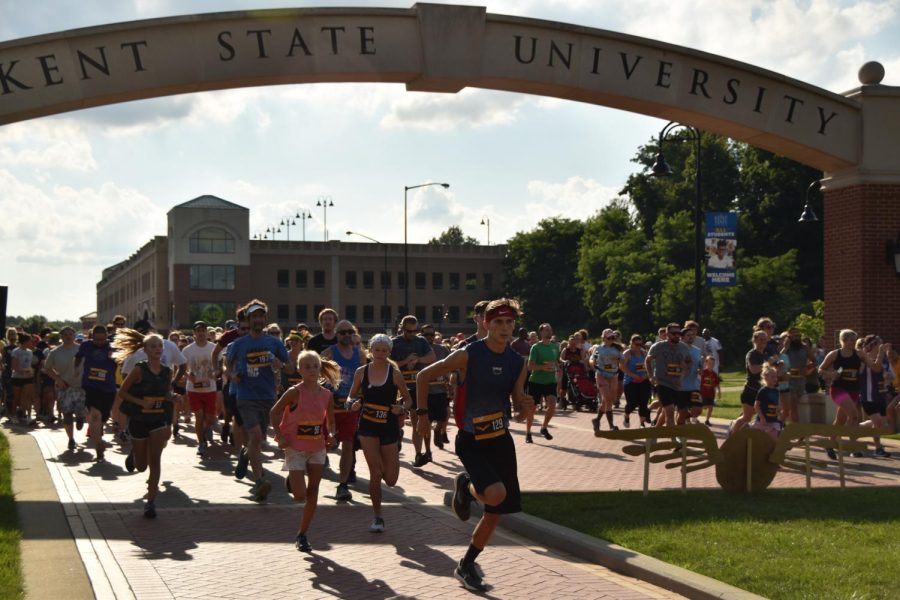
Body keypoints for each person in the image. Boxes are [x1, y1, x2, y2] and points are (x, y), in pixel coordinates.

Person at [415, 298, 528, 592]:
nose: (505, 328)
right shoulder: (468, 355)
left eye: (509, 323)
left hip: (500, 440)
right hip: (472, 440)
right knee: (494, 494)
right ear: (486, 324)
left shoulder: (518, 362)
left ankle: (466, 565)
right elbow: (423, 376)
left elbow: (516, 402)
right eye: (498, 322)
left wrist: (525, 406)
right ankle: (465, 486)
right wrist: (423, 416)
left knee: (496, 512)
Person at [270, 350, 338, 552]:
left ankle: (303, 533)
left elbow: (331, 421)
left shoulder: (327, 395)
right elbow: (274, 412)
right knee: (300, 496)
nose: (312, 370)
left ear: (320, 369)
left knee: (314, 490)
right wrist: (280, 436)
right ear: (299, 370)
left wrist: (332, 434)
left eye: (315, 366)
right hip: (295, 447)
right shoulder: (294, 392)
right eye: (307, 367)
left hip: (317, 447)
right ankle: (293, 479)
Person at [348, 334, 413, 532]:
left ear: (389, 352)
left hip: (389, 427)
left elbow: (409, 401)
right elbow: (349, 397)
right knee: (375, 473)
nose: (380, 353)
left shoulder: (394, 374)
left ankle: (391, 454)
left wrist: (401, 409)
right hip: (367, 426)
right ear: (370, 351)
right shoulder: (361, 372)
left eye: (384, 350)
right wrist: (352, 404)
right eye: (377, 350)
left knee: (391, 479)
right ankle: (377, 517)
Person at [226, 299, 289, 501]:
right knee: (254, 435)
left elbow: (289, 367)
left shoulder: (274, 343)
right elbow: (228, 365)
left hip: (268, 396)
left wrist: (280, 365)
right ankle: (260, 480)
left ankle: (246, 454)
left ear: (264, 319)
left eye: (261, 316)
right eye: (254, 316)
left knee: (259, 439)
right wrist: (232, 375)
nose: (258, 319)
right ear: (248, 319)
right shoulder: (240, 344)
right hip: (245, 396)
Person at [111, 330, 175, 518]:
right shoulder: (139, 369)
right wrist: (141, 403)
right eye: (153, 346)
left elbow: (166, 394)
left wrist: (174, 397)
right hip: (139, 419)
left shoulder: (167, 372)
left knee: (155, 460)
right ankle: (135, 451)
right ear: (145, 350)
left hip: (158, 418)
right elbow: (122, 393)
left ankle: (151, 502)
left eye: (160, 346)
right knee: (141, 466)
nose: (158, 349)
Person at [321, 320, 367, 501]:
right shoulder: (328, 353)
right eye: (342, 332)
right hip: (330, 409)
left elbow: (365, 380)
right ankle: (300, 473)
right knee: (320, 445)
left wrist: (362, 399)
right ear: (336, 335)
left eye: (349, 331)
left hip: (350, 408)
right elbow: (318, 380)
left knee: (348, 444)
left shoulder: (360, 355)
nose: (346, 335)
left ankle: (343, 484)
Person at [390, 315, 435, 467]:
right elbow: (387, 362)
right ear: (402, 329)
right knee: (397, 419)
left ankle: (418, 454)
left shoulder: (421, 341)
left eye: (415, 331)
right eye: (409, 331)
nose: (412, 334)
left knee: (417, 418)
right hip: (398, 386)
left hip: (416, 386)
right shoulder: (394, 342)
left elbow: (432, 357)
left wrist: (417, 360)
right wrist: (406, 361)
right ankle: (397, 435)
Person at [75, 325, 118, 462]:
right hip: (90, 385)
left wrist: (115, 359)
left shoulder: (113, 347)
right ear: (91, 336)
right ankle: (98, 446)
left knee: (102, 418)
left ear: (106, 336)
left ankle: (98, 434)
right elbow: (78, 357)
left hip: (108, 388)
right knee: (94, 416)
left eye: (102, 339)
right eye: (96, 339)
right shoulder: (86, 346)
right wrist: (76, 369)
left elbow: (121, 362)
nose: (99, 342)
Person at [42, 327, 85, 450]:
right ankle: (71, 439)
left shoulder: (81, 349)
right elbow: (47, 369)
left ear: (74, 335)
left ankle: (80, 417)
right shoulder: (55, 352)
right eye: (65, 334)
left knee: (80, 411)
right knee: (66, 413)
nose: (68, 336)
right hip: (64, 386)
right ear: (61, 337)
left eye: (70, 334)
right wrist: (58, 379)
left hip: (80, 386)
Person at [645, 323, 693, 430]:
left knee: (683, 412)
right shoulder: (658, 346)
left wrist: (685, 366)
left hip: (678, 384)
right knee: (670, 411)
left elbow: (689, 362)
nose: (677, 335)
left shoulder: (683, 347)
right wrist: (651, 376)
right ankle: (674, 440)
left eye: (678, 333)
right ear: (667, 334)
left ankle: (656, 432)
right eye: (674, 333)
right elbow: (648, 361)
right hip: (663, 383)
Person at [730, 330, 777, 435]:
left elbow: (769, 371)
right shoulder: (752, 354)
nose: (763, 342)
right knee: (747, 417)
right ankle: (732, 434)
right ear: (755, 340)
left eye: (765, 339)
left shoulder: (766, 355)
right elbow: (754, 370)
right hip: (750, 391)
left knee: (761, 417)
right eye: (760, 339)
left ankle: (755, 439)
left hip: (762, 392)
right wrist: (768, 363)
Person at [182, 321, 218, 457]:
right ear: (194, 333)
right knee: (198, 416)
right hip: (194, 388)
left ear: (207, 332)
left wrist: (216, 373)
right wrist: (187, 375)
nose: (201, 333)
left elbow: (220, 365)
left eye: (203, 330)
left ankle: (206, 428)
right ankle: (201, 443)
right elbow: (182, 368)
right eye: (198, 331)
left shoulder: (213, 348)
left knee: (210, 418)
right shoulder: (187, 350)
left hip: (210, 388)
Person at [858, 335, 892, 457]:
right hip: (867, 396)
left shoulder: (884, 360)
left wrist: (888, 377)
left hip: (881, 395)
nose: (882, 346)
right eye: (880, 344)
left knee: (881, 422)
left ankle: (857, 427)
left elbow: (890, 375)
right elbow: (860, 374)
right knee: (877, 422)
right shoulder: (864, 360)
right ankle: (878, 448)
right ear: (872, 345)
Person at [526, 323, 559, 442]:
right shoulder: (536, 347)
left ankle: (544, 427)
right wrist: (542, 368)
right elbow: (530, 366)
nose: (549, 332)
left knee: (553, 404)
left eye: (550, 330)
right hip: (536, 382)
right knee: (532, 409)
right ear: (541, 333)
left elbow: (556, 362)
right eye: (546, 330)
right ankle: (528, 433)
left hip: (550, 381)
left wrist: (558, 366)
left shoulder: (555, 347)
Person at [421, 324, 451, 450]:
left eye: (431, 334)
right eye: (426, 334)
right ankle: (428, 451)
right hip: (425, 393)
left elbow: (450, 367)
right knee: (426, 423)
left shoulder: (442, 349)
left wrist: (450, 381)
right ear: (421, 335)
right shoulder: (418, 350)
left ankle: (437, 431)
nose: (429, 337)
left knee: (442, 420)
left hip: (441, 391)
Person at [590, 329, 623, 432]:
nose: (611, 340)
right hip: (601, 375)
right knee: (607, 399)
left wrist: (618, 359)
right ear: (604, 338)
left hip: (613, 375)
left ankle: (597, 420)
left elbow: (623, 360)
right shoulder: (599, 348)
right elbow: (592, 359)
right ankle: (612, 426)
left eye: (613, 338)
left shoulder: (617, 349)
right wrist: (593, 364)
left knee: (609, 400)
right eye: (609, 338)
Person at [620, 334, 651, 428]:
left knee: (643, 402)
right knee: (632, 403)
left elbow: (650, 366)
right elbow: (622, 366)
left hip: (643, 380)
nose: (638, 347)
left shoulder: (644, 353)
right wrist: (633, 376)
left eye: (640, 344)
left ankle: (642, 423)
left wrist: (646, 375)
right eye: (636, 344)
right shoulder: (627, 353)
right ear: (631, 344)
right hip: (631, 381)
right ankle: (626, 415)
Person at [10, 332, 37, 426]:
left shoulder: (30, 352)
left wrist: (31, 371)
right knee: (16, 398)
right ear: (25, 341)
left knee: (27, 397)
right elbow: (14, 367)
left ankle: (28, 416)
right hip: (17, 377)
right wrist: (23, 371)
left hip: (28, 378)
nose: (32, 342)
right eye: (30, 341)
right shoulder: (16, 351)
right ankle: (13, 415)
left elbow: (30, 365)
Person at [752, 365, 781, 440]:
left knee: (773, 438)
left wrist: (778, 412)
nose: (775, 379)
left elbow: (777, 405)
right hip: (762, 421)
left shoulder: (776, 391)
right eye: (772, 377)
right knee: (759, 440)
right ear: (766, 377)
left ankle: (772, 451)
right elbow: (756, 405)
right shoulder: (763, 391)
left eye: (776, 377)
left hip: (773, 420)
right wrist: (762, 417)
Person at [699, 356, 721, 426]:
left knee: (710, 407)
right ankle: (693, 417)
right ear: (706, 363)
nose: (711, 365)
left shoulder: (714, 374)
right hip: (703, 393)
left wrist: (719, 391)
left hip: (711, 394)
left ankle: (707, 420)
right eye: (710, 363)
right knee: (702, 407)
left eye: (713, 363)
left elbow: (717, 383)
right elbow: (698, 380)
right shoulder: (703, 372)